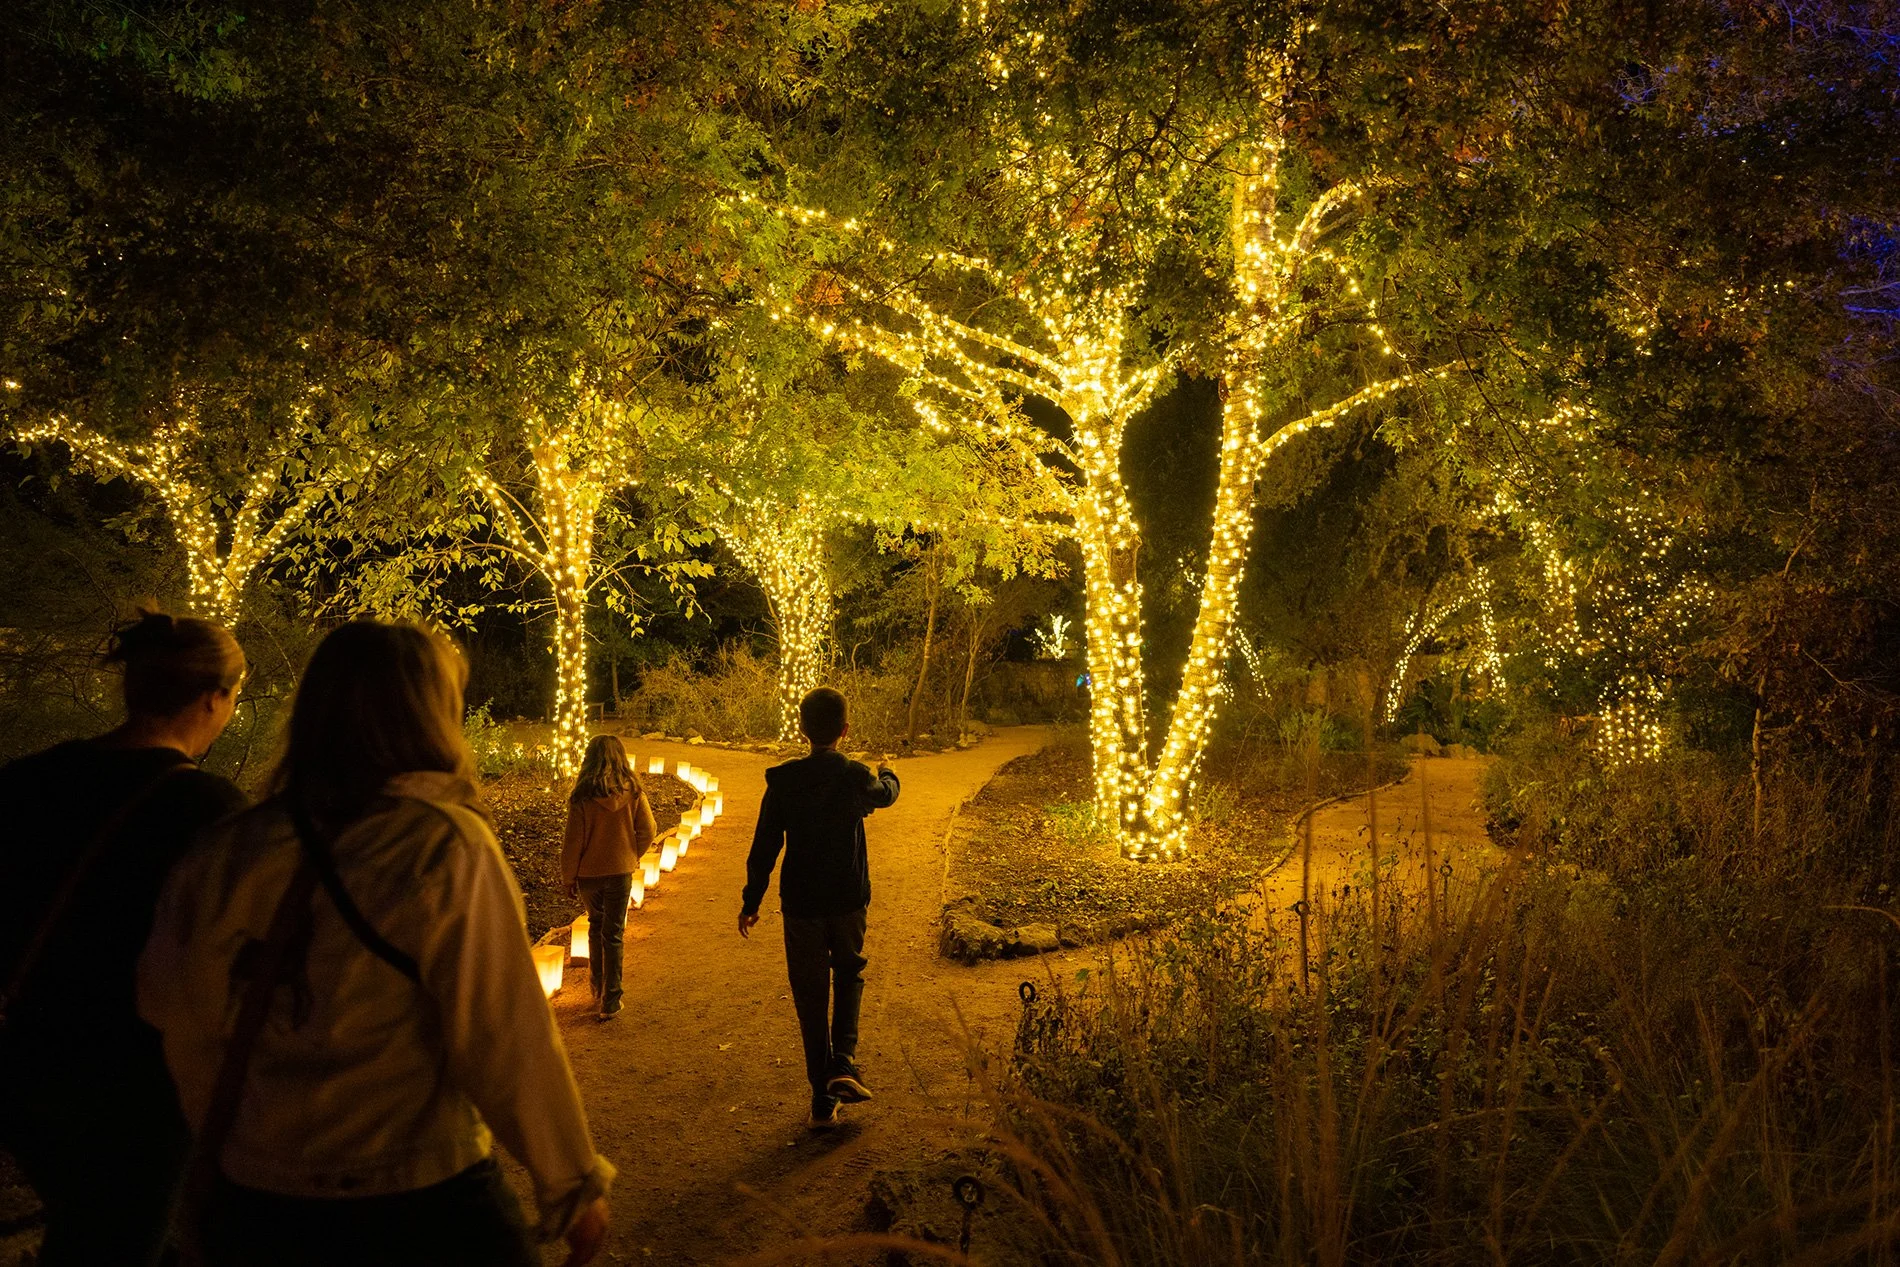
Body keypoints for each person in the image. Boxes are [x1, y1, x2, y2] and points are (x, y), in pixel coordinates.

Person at [138, 620, 614, 1267]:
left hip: (257, 1200)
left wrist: (240, 1136)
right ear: (431, 713)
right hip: (413, 1193)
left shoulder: (229, 847)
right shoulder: (441, 845)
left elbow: (173, 1006)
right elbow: (502, 1032)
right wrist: (570, 1181)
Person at [0, 608, 249, 1267]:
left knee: (97, 1223)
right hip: (139, 1082)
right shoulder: (210, 811)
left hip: (26, 1062)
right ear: (213, 698)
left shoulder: (25, 782)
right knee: (118, 1236)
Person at [738, 686, 899, 1128]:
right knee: (849, 973)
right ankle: (843, 1063)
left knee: (810, 993)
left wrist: (752, 901)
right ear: (844, 730)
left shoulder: (785, 782)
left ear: (803, 729)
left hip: (802, 904)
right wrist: (889, 773)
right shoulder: (853, 776)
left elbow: (765, 845)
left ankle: (822, 1096)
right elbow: (884, 796)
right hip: (848, 897)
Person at [562, 735, 656, 1021]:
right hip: (619, 872)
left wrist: (569, 876)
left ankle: (597, 985)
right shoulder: (634, 792)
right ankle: (611, 998)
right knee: (613, 933)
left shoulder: (582, 797)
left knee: (595, 926)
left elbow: (573, 842)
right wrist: (631, 854)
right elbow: (649, 830)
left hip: (590, 875)